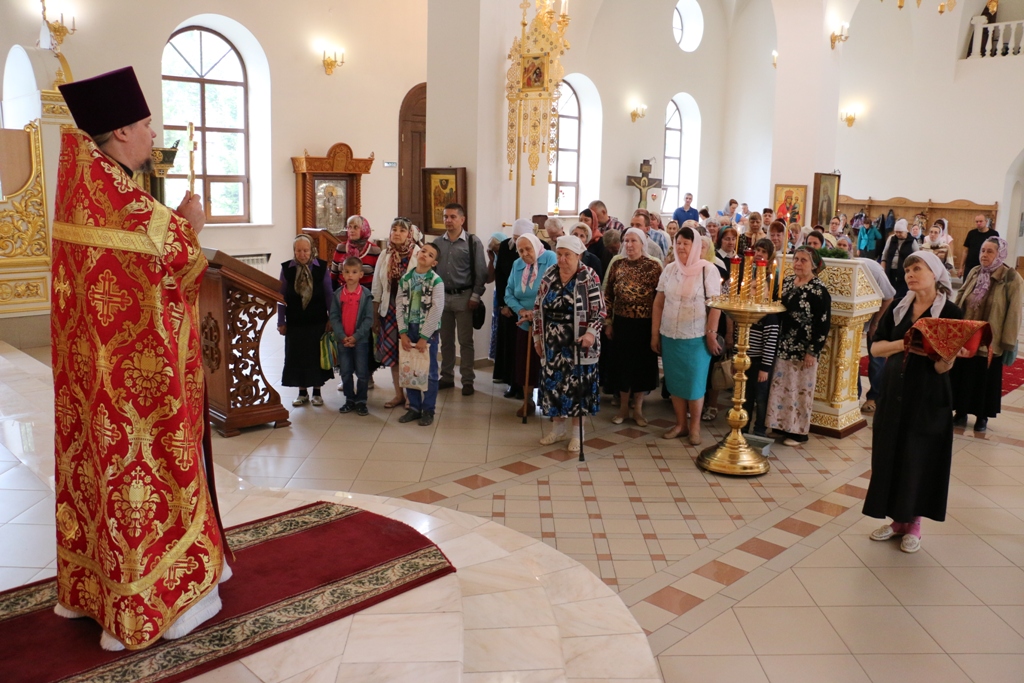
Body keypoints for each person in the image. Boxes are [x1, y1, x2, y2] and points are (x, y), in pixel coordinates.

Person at [52, 66, 228, 650]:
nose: (154, 134)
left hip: (91, 382)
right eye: (147, 124)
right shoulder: (130, 205)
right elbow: (179, 268)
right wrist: (191, 226)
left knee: (97, 472)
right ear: (123, 131)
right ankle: (165, 604)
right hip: (140, 389)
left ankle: (91, 592)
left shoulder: (81, 188)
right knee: (145, 477)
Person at [863, 251, 963, 554]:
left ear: (934, 273)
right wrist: (904, 343)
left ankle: (914, 522)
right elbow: (876, 349)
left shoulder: (950, 313)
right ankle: (897, 521)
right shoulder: (899, 308)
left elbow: (942, 368)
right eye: (907, 270)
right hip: (894, 392)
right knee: (890, 453)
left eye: (917, 269)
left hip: (928, 396)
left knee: (918, 457)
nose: (910, 275)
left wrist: (948, 358)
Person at [533, 235, 606, 452]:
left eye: (567, 255)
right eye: (559, 254)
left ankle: (577, 433)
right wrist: (537, 338)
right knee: (554, 385)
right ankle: (557, 430)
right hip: (552, 341)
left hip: (579, 342)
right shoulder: (549, 274)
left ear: (578, 255)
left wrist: (591, 333)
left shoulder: (588, 276)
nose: (562, 259)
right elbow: (538, 307)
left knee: (577, 388)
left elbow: (600, 310)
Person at [653, 226, 723, 444]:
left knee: (694, 384)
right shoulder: (670, 269)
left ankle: (695, 428)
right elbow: (658, 303)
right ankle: (680, 424)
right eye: (678, 243)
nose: (681, 247)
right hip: (670, 335)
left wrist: (711, 334)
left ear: (696, 246)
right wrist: (655, 334)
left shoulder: (708, 270)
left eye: (686, 243)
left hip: (696, 337)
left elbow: (716, 306)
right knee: (675, 383)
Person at [952, 237, 1024, 432]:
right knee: (964, 375)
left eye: (990, 251)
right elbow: (961, 297)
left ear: (1000, 254)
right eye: (983, 250)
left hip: (991, 340)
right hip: (967, 337)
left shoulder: (1011, 278)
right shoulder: (975, 272)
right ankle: (960, 412)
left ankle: (981, 417)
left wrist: (1008, 342)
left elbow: (1014, 312)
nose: (984, 255)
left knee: (984, 379)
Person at [767, 247, 832, 446]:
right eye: (796, 259)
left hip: (804, 350)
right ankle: (779, 425)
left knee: (799, 390)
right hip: (783, 345)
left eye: (804, 260)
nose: (798, 263)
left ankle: (798, 432)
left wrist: (813, 351)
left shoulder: (819, 290)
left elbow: (823, 323)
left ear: (813, 265)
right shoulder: (786, 282)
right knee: (781, 387)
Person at [604, 228, 664, 426]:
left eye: (633, 241)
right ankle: (623, 409)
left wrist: (656, 330)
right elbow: (608, 295)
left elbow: (660, 298)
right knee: (622, 366)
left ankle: (637, 410)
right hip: (622, 323)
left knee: (641, 367)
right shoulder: (617, 264)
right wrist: (608, 322)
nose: (629, 245)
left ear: (642, 243)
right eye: (626, 241)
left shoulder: (654, 266)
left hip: (645, 325)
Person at [433, 203, 487, 395]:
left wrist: (475, 295)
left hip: (464, 297)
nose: (448, 220)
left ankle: (467, 380)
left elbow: (481, 271)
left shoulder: (472, 242)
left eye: (453, 217)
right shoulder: (437, 243)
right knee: (446, 341)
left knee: (465, 341)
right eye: (445, 216)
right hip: (442, 297)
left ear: (462, 219)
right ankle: (447, 377)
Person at [372, 218, 422, 410]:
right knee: (393, 354)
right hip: (389, 310)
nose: (397, 233)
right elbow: (377, 286)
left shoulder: (418, 253)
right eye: (394, 229)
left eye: (402, 230)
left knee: (409, 354)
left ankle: (412, 396)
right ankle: (399, 394)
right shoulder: (385, 254)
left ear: (409, 234)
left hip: (411, 313)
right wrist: (375, 315)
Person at [279, 234, 335, 406]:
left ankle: (317, 392)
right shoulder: (287, 269)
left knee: (315, 357)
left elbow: (329, 295)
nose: (302, 254)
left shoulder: (321, 268)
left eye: (305, 250)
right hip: (295, 322)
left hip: (317, 321)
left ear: (312, 250)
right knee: (297, 356)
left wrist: (332, 318)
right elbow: (281, 297)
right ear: (294, 251)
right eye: (298, 251)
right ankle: (302, 392)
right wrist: (281, 321)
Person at [505, 232, 557, 415]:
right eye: (520, 250)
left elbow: (553, 290)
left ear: (536, 245)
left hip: (548, 322)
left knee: (548, 363)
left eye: (528, 249)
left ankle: (550, 402)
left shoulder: (549, 258)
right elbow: (509, 293)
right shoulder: (517, 264)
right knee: (525, 363)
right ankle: (528, 401)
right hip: (524, 322)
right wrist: (521, 311)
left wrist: (536, 314)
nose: (525, 253)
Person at [396, 242, 446, 426]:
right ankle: (414, 408)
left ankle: (428, 409)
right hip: (409, 328)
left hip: (428, 331)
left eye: (430, 255)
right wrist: (402, 332)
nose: (425, 255)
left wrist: (425, 337)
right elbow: (399, 306)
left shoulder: (436, 282)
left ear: (434, 263)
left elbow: (436, 309)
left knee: (429, 371)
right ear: (418, 254)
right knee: (410, 368)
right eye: (423, 251)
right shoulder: (406, 279)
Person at [333, 215, 381, 390]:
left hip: (365, 299)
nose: (351, 230)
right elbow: (333, 275)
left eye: (355, 227)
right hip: (344, 298)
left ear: (364, 229)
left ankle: (367, 375)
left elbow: (378, 278)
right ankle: (345, 376)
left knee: (364, 338)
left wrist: (375, 305)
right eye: (349, 227)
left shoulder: (374, 250)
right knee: (344, 336)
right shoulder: (340, 248)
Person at [741, 239, 782, 436]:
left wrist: (765, 368)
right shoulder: (747, 312)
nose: (759, 253)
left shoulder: (769, 316)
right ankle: (743, 426)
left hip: (761, 362)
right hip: (747, 358)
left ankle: (759, 430)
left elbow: (770, 343)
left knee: (761, 397)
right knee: (745, 396)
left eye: (763, 251)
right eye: (756, 250)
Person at [331, 257, 374, 416]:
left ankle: (361, 401)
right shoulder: (338, 295)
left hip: (360, 341)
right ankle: (349, 399)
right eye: (347, 272)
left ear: (361, 274)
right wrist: (342, 335)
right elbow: (334, 317)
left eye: (354, 272)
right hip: (343, 341)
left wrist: (356, 336)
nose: (350, 275)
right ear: (342, 274)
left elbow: (368, 319)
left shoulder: (365, 295)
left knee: (362, 372)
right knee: (345, 371)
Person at [495, 220, 531, 396]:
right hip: (510, 307)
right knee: (511, 347)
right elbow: (500, 277)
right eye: (515, 238)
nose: (517, 243)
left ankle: (527, 388)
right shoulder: (505, 246)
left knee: (527, 351)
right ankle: (513, 384)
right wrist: (503, 304)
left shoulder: (543, 249)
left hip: (530, 310)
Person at [857, 257, 896, 415]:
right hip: (855, 320)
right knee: (850, 359)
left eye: (844, 245)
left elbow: (889, 297)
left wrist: (875, 323)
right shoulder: (838, 268)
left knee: (876, 359)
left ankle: (874, 397)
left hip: (878, 315)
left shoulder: (873, 270)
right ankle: (854, 395)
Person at [881, 219, 920, 298]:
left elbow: (918, 256)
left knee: (901, 292)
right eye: (896, 232)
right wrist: (882, 269)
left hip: (904, 271)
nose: (898, 234)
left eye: (900, 232)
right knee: (889, 291)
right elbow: (885, 254)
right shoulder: (891, 239)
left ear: (905, 231)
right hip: (890, 270)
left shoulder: (912, 241)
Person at [487, 230, 507, 368]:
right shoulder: (495, 258)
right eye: (494, 251)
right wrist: (491, 260)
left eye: (498, 250)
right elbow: (489, 279)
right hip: (498, 296)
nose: (497, 253)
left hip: (509, 296)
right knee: (497, 325)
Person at [961, 214, 998, 278]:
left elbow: (996, 251)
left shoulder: (994, 234)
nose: (978, 223)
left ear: (986, 221)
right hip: (970, 266)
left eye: (981, 221)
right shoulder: (971, 233)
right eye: (977, 221)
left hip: (985, 266)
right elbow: (965, 251)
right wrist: (961, 267)